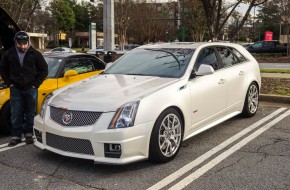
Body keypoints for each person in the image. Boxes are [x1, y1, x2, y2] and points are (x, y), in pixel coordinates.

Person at [0, 31, 48, 146]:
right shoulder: (9, 54)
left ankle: (28, 135)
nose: (22, 46)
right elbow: (2, 68)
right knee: (15, 113)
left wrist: (36, 84)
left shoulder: (35, 54)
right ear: (15, 42)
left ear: (28, 42)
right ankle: (15, 136)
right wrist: (8, 82)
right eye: (20, 44)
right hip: (15, 88)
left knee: (30, 112)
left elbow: (44, 70)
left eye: (24, 44)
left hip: (31, 88)